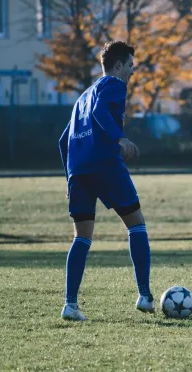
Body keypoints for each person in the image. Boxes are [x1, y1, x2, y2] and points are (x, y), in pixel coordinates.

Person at [58, 41, 154, 321]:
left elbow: (63, 141)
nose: (132, 73)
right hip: (105, 164)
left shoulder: (81, 98)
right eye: (131, 67)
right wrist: (120, 138)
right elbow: (101, 112)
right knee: (137, 224)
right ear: (119, 65)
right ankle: (145, 296)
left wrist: (69, 179)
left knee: (81, 238)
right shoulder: (112, 84)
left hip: (79, 171)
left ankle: (70, 305)